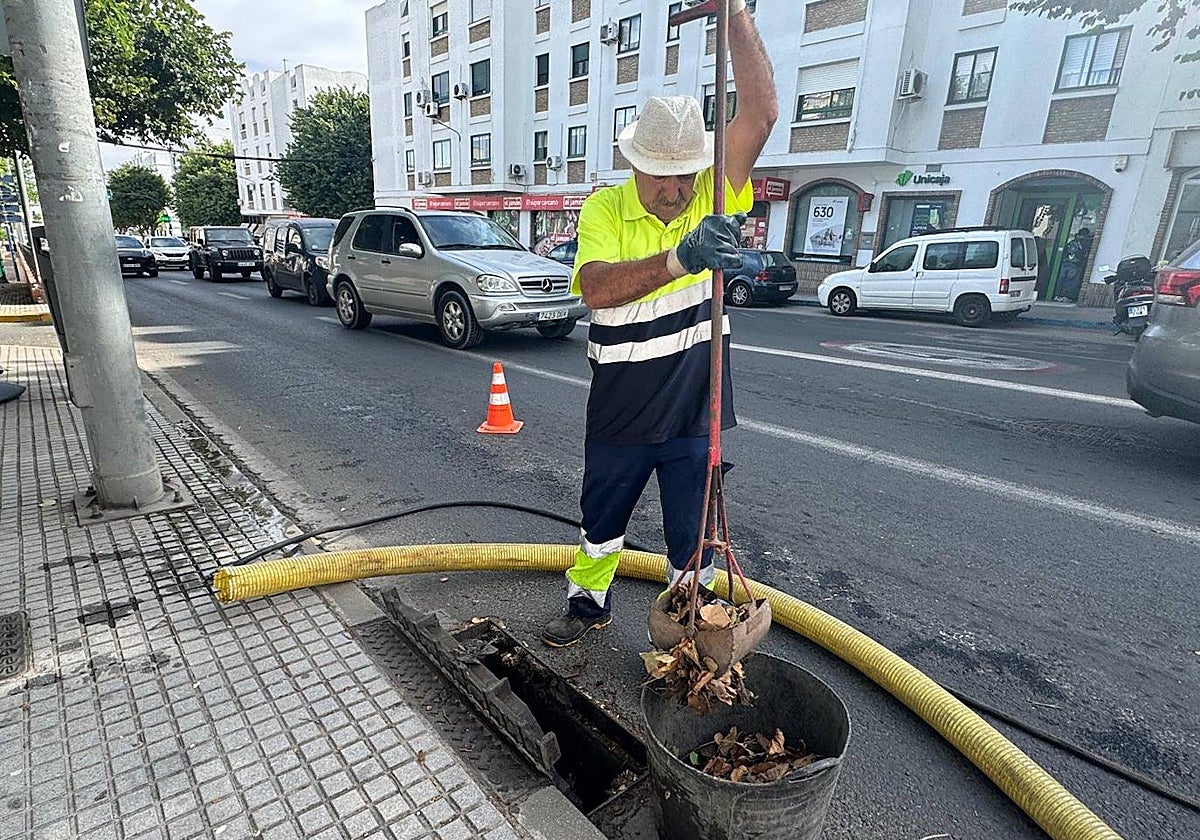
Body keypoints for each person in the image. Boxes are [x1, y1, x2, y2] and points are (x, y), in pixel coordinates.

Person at [541, 0, 778, 647]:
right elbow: (596, 289)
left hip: (691, 412)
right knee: (601, 520)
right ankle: (588, 604)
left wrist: (738, 17)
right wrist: (679, 257)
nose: (674, 192)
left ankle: (687, 625)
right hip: (621, 409)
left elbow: (758, 116)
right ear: (634, 164)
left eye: (683, 176)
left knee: (690, 536)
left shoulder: (712, 189)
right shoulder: (605, 210)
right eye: (660, 178)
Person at [1055, 227, 1093, 302]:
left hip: (1066, 263)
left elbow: (1065, 251)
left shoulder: (1072, 242)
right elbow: (1085, 254)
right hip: (1076, 265)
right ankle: (1067, 296)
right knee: (1071, 281)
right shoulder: (1084, 243)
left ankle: (1058, 295)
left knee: (1062, 280)